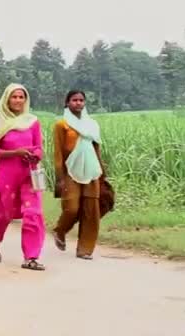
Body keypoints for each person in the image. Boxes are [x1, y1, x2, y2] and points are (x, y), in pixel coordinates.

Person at [0, 83, 47, 271]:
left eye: (21, 97)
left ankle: (31, 257)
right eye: (14, 97)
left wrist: (35, 155)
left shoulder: (32, 121)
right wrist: (15, 152)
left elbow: (39, 147)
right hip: (7, 176)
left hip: (29, 174)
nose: (18, 100)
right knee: (3, 214)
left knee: (33, 213)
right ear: (7, 99)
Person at [52, 89, 108, 260]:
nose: (78, 103)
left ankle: (84, 249)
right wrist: (60, 178)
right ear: (67, 103)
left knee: (91, 211)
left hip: (91, 171)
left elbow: (96, 148)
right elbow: (58, 153)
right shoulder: (62, 125)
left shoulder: (91, 124)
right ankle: (60, 230)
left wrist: (102, 172)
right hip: (70, 171)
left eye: (81, 100)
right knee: (72, 208)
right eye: (74, 100)